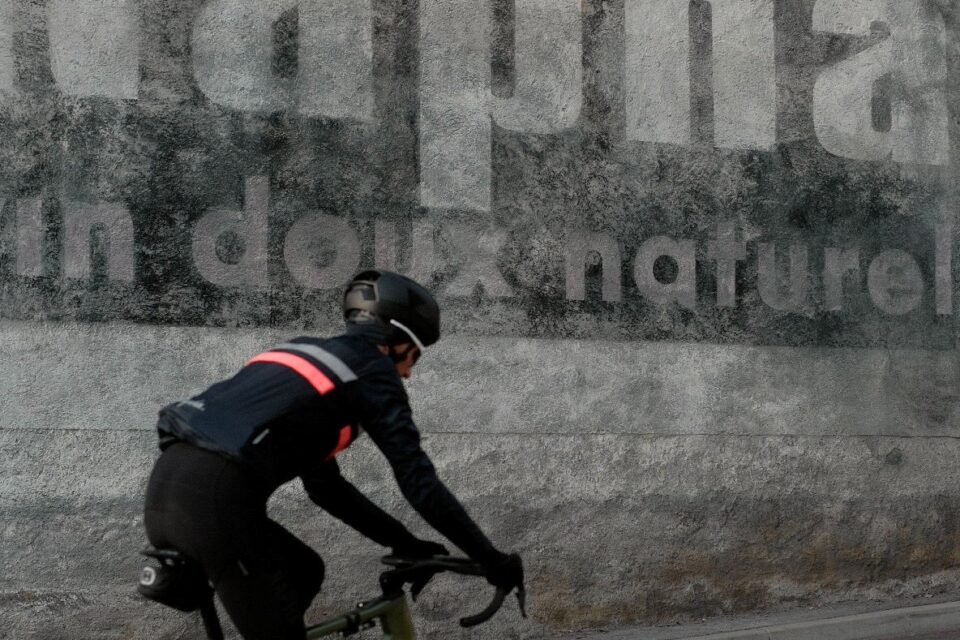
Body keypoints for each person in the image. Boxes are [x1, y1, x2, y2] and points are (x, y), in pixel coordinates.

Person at [142, 269, 524, 639]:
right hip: (216, 503)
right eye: (414, 357)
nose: (407, 373)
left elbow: (327, 490)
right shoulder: (374, 372)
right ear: (398, 339)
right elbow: (419, 483)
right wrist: (492, 560)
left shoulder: (307, 354)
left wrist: (404, 542)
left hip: (165, 492)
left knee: (304, 571)